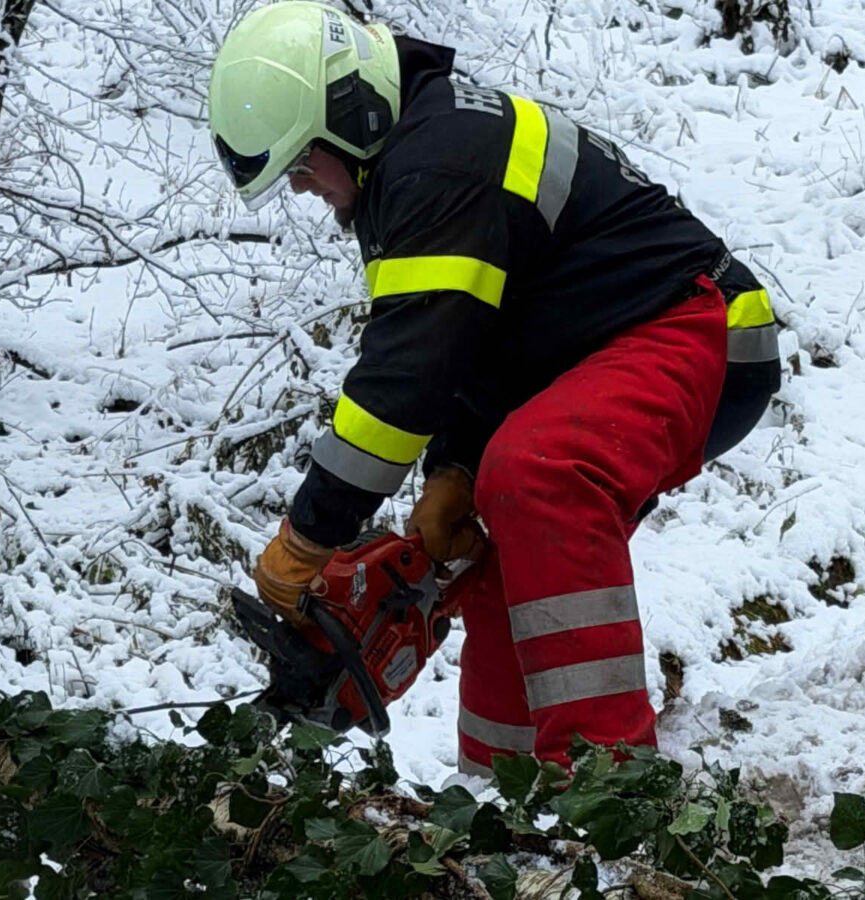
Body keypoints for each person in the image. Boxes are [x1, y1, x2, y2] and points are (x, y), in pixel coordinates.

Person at [207, 1, 781, 774]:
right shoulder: (419, 158)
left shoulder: (437, 160)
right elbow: (470, 344)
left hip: (696, 324)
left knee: (538, 475)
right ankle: (502, 797)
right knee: (492, 539)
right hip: (597, 347)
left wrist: (313, 532)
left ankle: (610, 788)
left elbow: (404, 378)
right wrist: (454, 470)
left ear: (353, 113)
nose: (304, 187)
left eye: (304, 163)